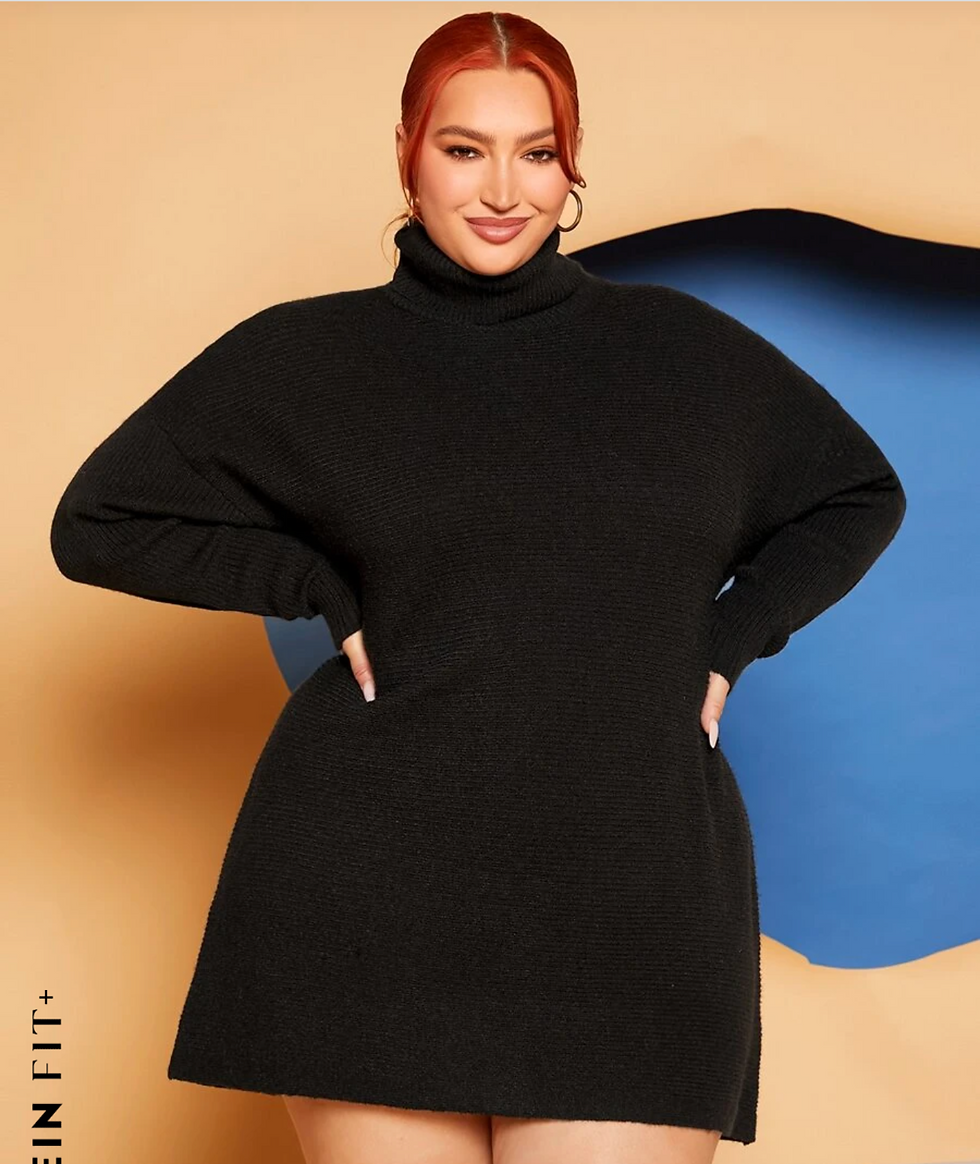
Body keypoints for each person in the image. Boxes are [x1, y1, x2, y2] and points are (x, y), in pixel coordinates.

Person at [48, 11, 906, 1164]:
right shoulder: (308, 360)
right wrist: (305, 579)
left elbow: (858, 492)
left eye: (535, 152)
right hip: (367, 893)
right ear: (407, 153)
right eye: (464, 149)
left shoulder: (684, 355)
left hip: (632, 894)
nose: (503, 189)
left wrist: (730, 635)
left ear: (570, 164)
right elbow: (99, 521)